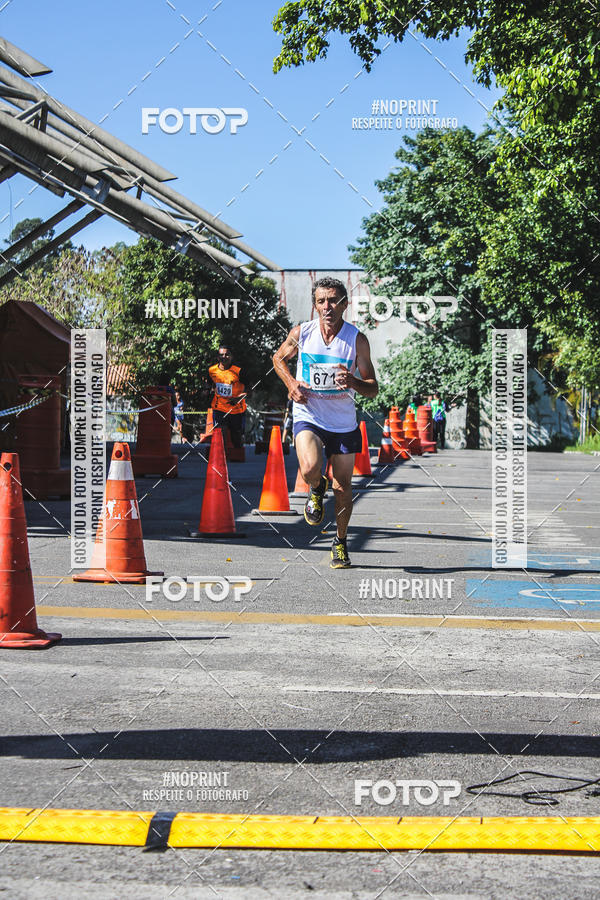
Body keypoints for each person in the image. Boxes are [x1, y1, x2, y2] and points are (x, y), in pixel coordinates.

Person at [273, 276, 378, 568]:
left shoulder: (356, 339)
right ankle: (316, 487)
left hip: (343, 422)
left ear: (344, 304)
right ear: (315, 305)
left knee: (343, 486)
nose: (327, 307)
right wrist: (291, 383)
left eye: (333, 300)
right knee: (308, 467)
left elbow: (373, 387)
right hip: (309, 414)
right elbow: (278, 358)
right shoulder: (302, 333)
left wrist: (354, 381)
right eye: (321, 301)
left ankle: (340, 543)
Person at [208, 346, 250, 449]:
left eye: (227, 354)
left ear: (231, 357)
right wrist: (208, 391)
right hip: (219, 408)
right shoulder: (211, 370)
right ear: (218, 357)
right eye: (221, 355)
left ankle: (237, 452)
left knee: (236, 437)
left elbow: (250, 389)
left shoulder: (238, 371)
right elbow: (210, 384)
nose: (224, 357)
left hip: (236, 409)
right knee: (220, 432)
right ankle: (222, 455)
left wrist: (238, 398)